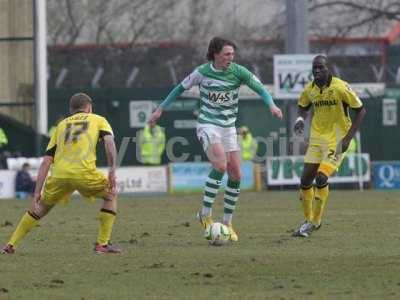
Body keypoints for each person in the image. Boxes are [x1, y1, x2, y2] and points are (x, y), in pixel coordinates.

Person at [149, 37, 283, 241]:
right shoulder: (202, 72)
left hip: (228, 128)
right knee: (220, 165)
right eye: (227, 54)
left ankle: (227, 223)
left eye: (232, 54)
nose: (231, 57)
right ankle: (205, 214)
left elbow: (260, 88)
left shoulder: (238, 72)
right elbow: (179, 88)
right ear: (215, 54)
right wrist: (160, 109)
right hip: (207, 125)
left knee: (236, 174)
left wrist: (271, 105)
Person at [2, 93, 120, 254]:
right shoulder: (98, 120)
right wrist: (112, 170)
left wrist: (37, 191)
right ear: (89, 108)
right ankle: (102, 244)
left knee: (40, 208)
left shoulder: (61, 126)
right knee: (111, 196)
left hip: (59, 175)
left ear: (71, 110)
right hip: (84, 173)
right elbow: (109, 142)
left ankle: (10, 245)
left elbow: (46, 161)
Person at [293, 55, 366, 237]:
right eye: (314, 68)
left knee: (321, 176)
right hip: (317, 140)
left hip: (337, 139)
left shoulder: (341, 87)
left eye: (321, 68)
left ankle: (315, 222)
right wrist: (300, 119)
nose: (317, 71)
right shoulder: (310, 89)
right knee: (304, 181)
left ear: (328, 68)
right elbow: (303, 105)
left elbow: (361, 110)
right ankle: (308, 220)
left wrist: (348, 138)